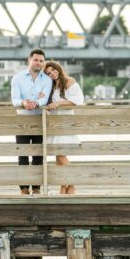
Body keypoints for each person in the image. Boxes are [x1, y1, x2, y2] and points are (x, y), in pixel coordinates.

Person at [10, 48, 52, 195]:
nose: (38, 63)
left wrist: (36, 103)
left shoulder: (47, 80)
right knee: (22, 154)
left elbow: (44, 98)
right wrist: (23, 102)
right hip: (22, 120)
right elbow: (14, 99)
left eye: (41, 60)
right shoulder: (17, 78)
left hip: (40, 120)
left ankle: (36, 186)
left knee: (38, 154)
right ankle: (23, 188)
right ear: (29, 60)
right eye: (36, 59)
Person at [44, 60, 84, 195]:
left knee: (61, 155)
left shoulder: (69, 81)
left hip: (65, 122)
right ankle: (63, 185)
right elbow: (47, 102)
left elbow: (78, 100)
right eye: (48, 73)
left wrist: (59, 104)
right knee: (57, 156)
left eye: (53, 71)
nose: (52, 74)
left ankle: (72, 183)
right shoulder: (50, 85)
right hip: (54, 123)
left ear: (58, 69)